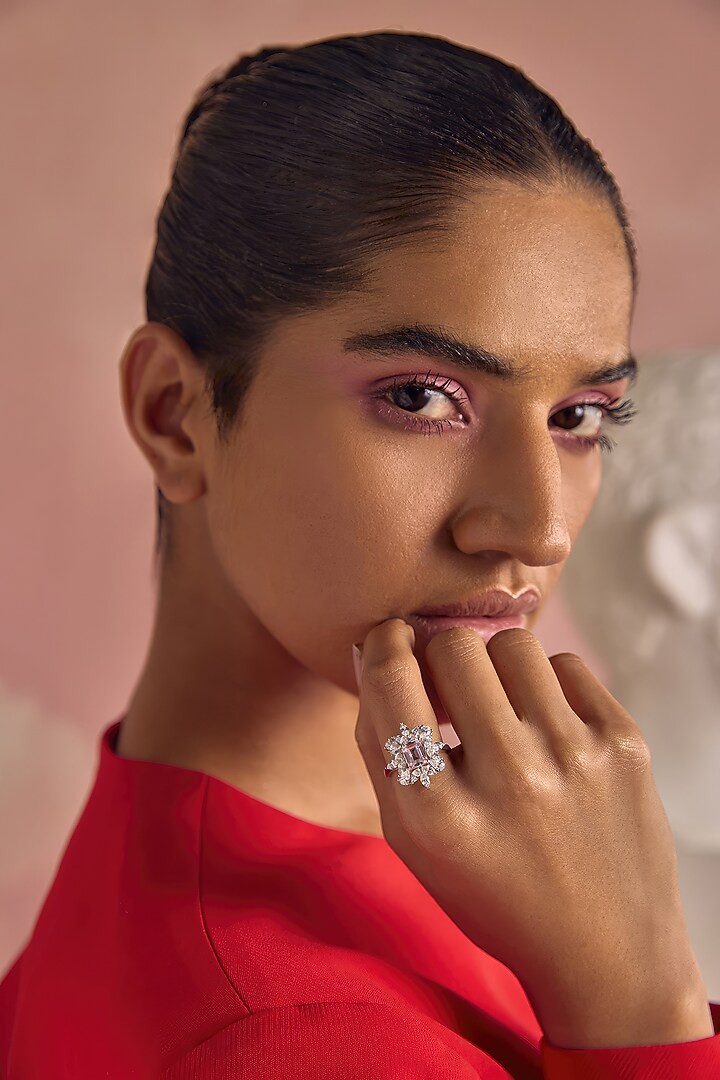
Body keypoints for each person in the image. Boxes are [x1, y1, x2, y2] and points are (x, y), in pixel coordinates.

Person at [0, 29, 717, 1078]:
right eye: (424, 398)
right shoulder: (302, 1039)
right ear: (174, 415)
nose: (538, 526)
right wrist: (639, 1005)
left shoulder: (443, 826)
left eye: (579, 414)